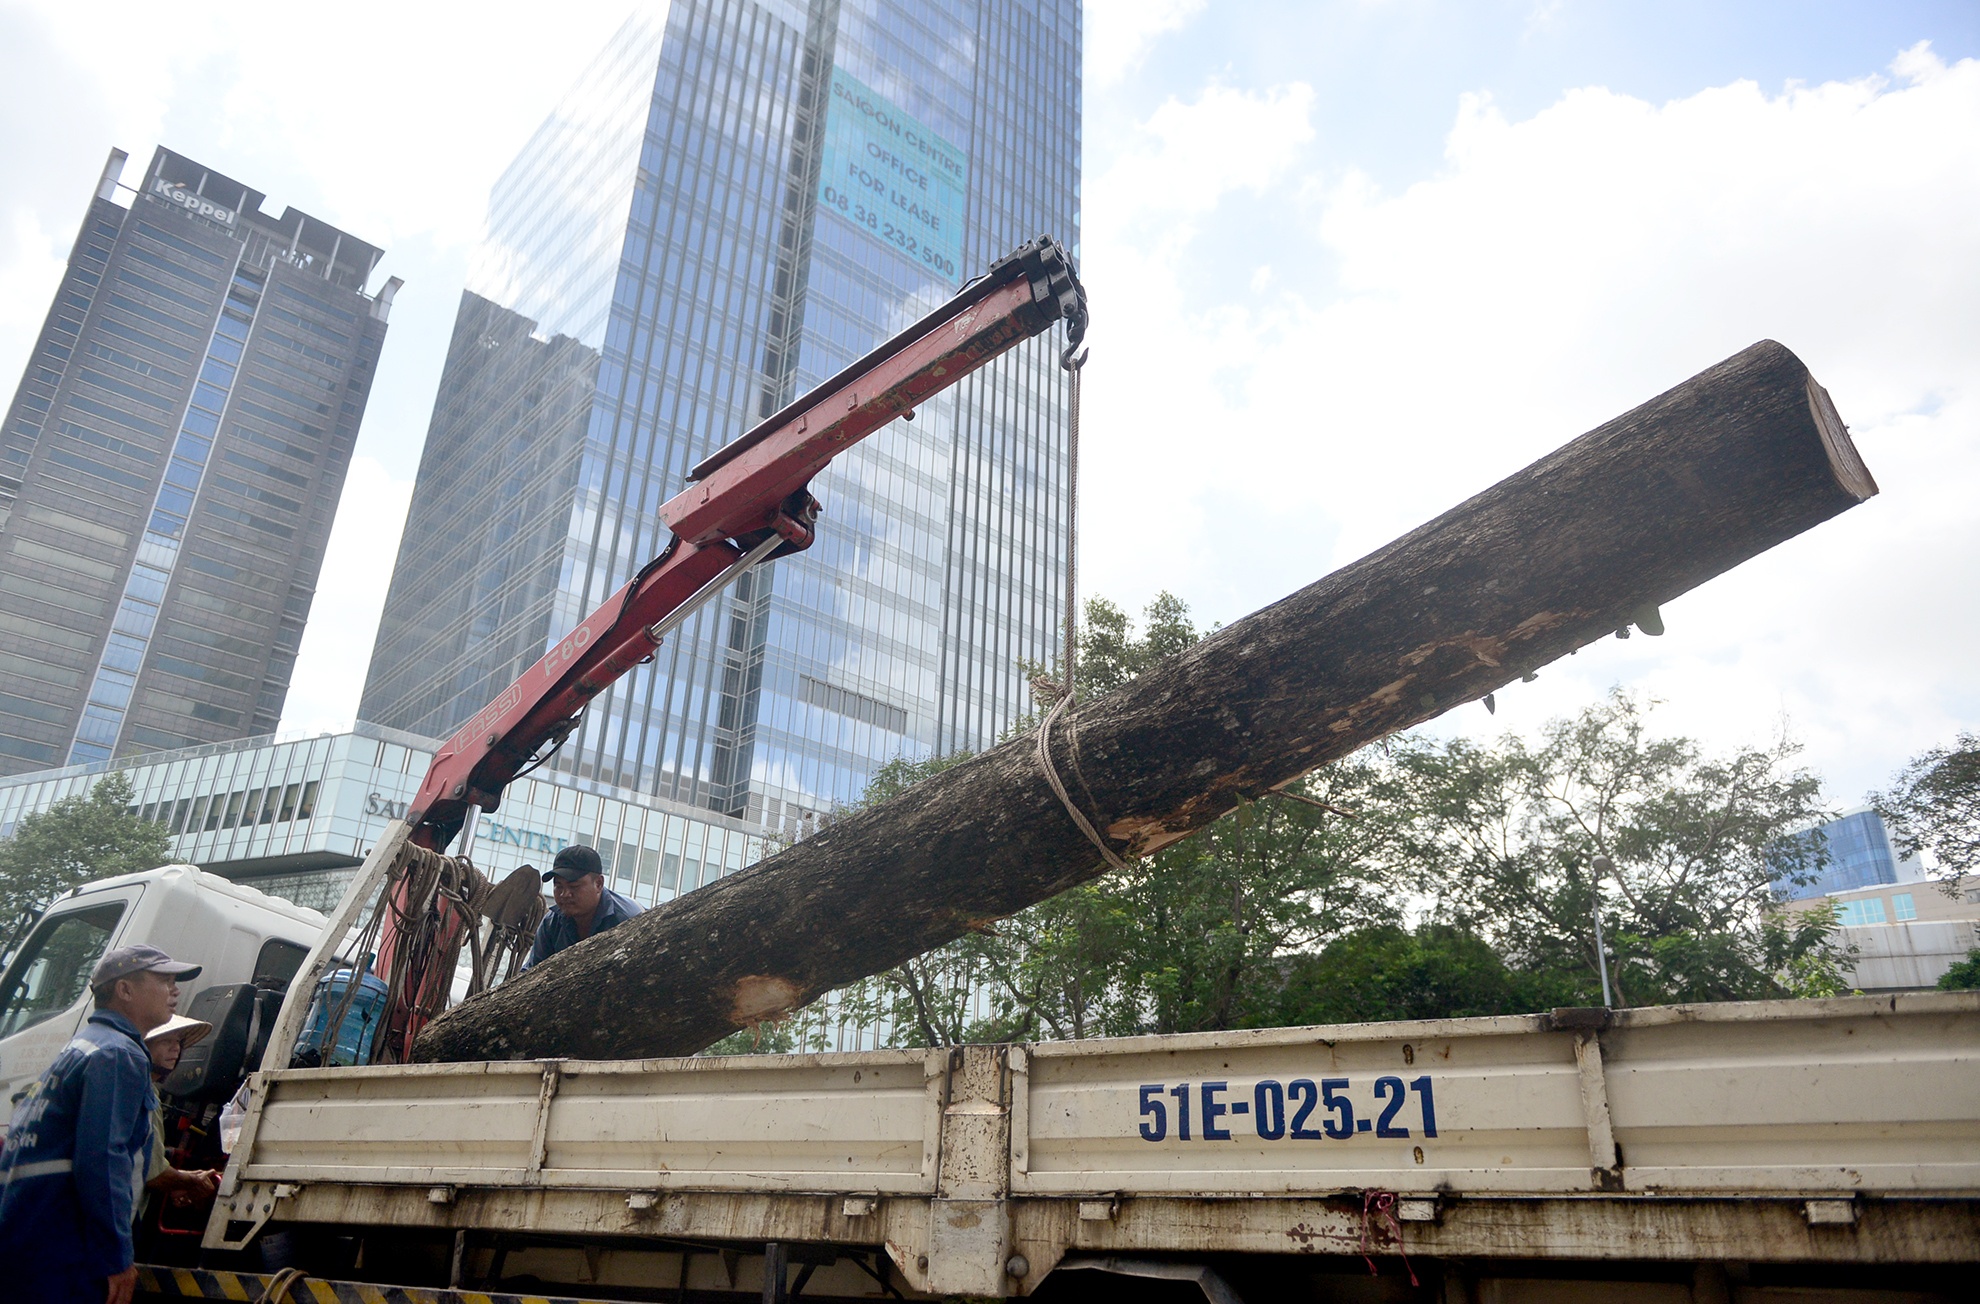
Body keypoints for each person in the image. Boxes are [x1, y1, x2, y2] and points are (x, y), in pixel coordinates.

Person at [0, 943, 200, 1304]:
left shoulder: (83, 1046)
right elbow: (103, 1159)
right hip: (67, 1255)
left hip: (31, 1244)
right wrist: (115, 1256)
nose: (175, 991)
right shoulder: (118, 1054)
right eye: (164, 981)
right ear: (125, 990)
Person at [141, 1015, 220, 1210]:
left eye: (178, 1042)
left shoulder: (151, 1089)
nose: (175, 1048)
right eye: (166, 1041)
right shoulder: (142, 1090)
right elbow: (152, 1172)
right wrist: (191, 1181)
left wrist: (177, 1182)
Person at [523, 844, 642, 970]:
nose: (564, 894)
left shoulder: (628, 920)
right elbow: (531, 970)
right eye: (558, 886)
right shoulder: (551, 922)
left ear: (598, 884)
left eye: (574, 886)